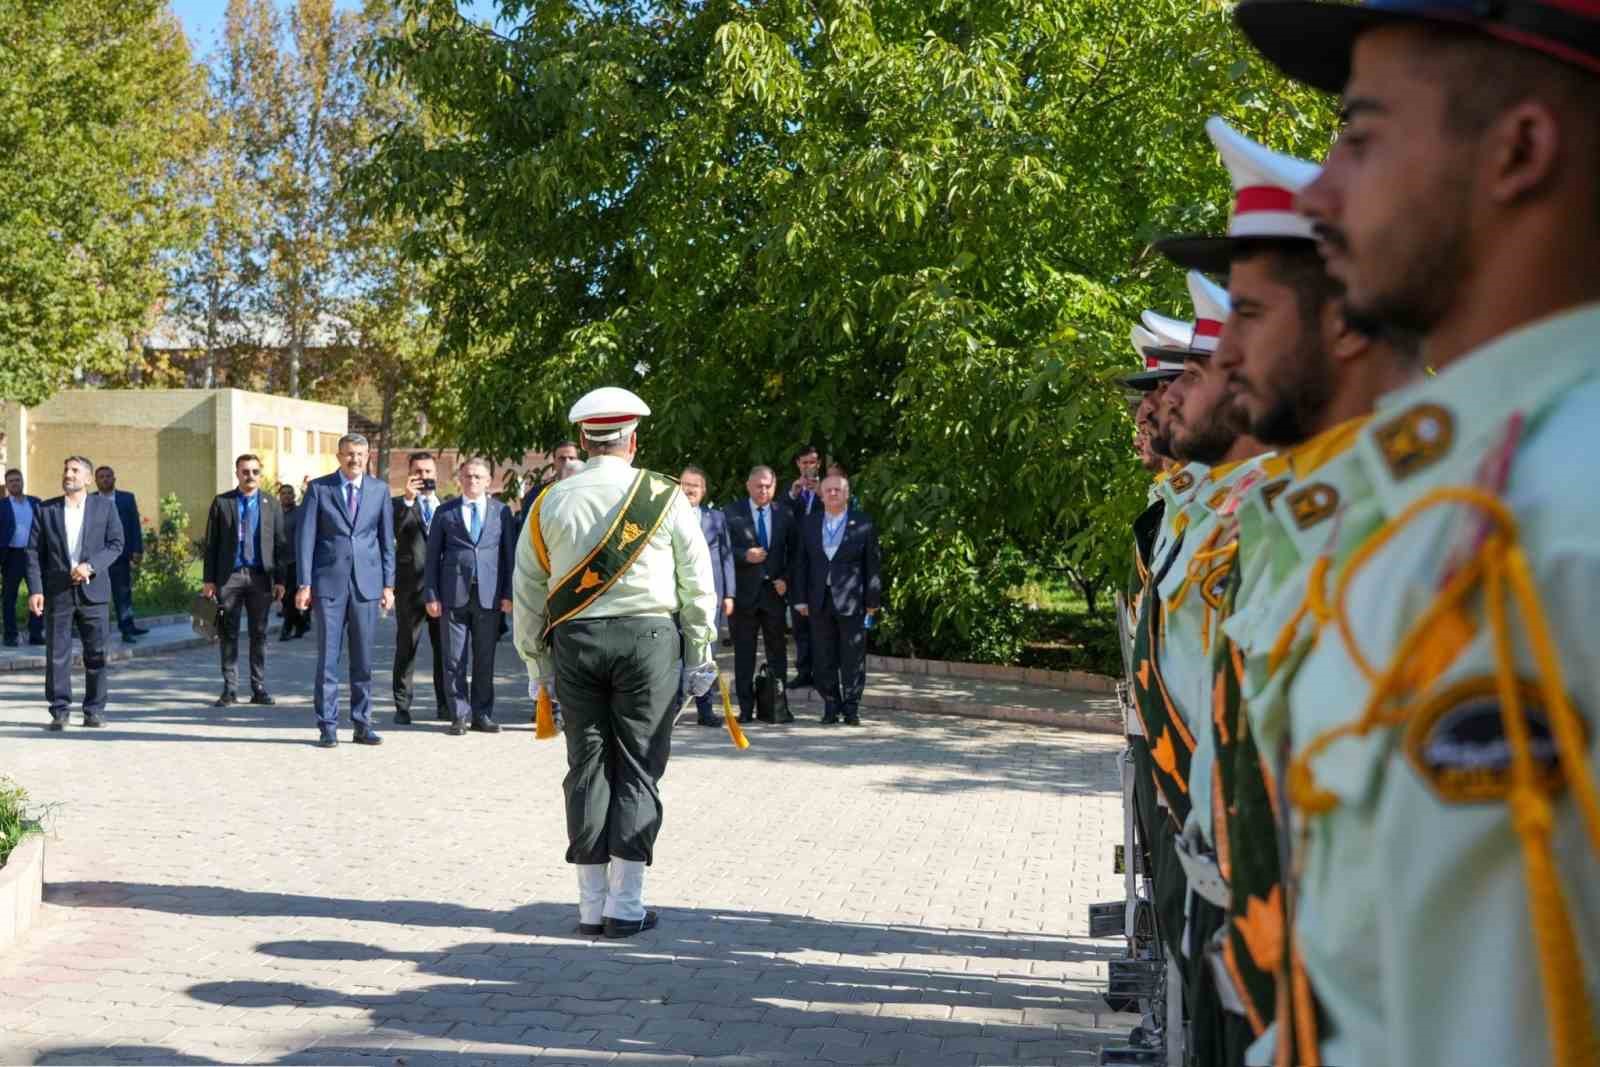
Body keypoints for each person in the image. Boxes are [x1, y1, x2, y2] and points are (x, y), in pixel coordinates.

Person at [1229, 4, 1600, 1064]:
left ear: (1519, 150)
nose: (1319, 191)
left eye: (1361, 134)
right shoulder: (1461, 490)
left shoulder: (1559, 515)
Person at [512, 386, 718, 939]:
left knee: (587, 764)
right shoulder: (665, 495)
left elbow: (528, 591)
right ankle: (626, 904)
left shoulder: (549, 501)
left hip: (575, 643)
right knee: (639, 766)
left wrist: (537, 667)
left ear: (583, 438)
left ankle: (588, 904)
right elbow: (697, 581)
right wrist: (700, 651)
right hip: (648, 641)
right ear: (632, 439)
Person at [295, 433, 396, 748]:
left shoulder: (379, 490)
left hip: (366, 584)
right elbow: (305, 539)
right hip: (329, 584)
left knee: (364, 658)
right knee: (328, 657)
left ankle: (362, 724)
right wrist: (305, 583)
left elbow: (386, 540)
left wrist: (389, 584)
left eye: (361, 454)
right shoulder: (319, 489)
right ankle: (327, 726)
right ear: (338, 456)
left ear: (368, 457)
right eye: (349, 454)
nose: (355, 460)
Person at [26, 456, 124, 729]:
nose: (68, 474)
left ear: (88, 479)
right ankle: (59, 711)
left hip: (94, 593)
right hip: (58, 592)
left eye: (74, 470)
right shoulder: (46, 510)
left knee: (96, 653)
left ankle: (94, 710)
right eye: (66, 469)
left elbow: (117, 544)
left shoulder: (105, 507)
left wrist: (90, 566)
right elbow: (33, 552)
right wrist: (36, 589)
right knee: (57, 653)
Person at [424, 457, 515, 735]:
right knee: (453, 657)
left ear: (488, 481)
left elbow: (509, 555)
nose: (472, 481)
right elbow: (431, 557)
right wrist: (431, 595)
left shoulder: (501, 513)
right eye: (467, 476)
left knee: (484, 658)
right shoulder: (445, 512)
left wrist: (508, 594)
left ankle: (482, 714)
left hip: (489, 596)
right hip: (453, 595)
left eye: (478, 477)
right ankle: (459, 715)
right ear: (459, 480)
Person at [201, 454, 290, 707]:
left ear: (260, 474)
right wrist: (209, 580)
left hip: (260, 578)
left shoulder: (271, 504)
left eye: (254, 471)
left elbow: (281, 545)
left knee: (258, 633)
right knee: (228, 633)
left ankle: (258, 687)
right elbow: (211, 544)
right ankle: (229, 689)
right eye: (245, 471)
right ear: (237, 473)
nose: (250, 475)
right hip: (229, 577)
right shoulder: (222, 502)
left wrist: (281, 580)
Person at [792, 473, 881, 725]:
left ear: (847, 494)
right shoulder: (809, 523)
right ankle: (831, 704)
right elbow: (800, 562)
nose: (832, 494)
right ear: (820, 494)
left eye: (838, 490)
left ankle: (851, 708)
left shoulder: (863, 523)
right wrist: (799, 599)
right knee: (823, 656)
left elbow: (872, 565)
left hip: (852, 601)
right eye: (828, 490)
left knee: (853, 657)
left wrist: (872, 601)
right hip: (818, 600)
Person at [724, 465, 794, 723]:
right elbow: (722, 553)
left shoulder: (785, 514)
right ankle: (745, 708)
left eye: (768, 486)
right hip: (744, 596)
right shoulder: (731, 513)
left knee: (778, 652)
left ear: (774, 487)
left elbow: (794, 554)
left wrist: (786, 579)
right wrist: (745, 555)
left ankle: (777, 707)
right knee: (744, 654)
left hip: (774, 595)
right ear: (748, 486)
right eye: (759, 486)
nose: (764, 490)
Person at [391, 451, 448, 725]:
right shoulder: (398, 504)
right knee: (407, 647)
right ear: (409, 473)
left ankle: (445, 704)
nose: (424, 477)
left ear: (436, 474)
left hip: (441, 589)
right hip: (409, 587)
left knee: (444, 649)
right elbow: (396, 531)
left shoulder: (447, 506)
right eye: (418, 472)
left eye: (428, 472)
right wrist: (408, 500)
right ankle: (402, 705)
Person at [679, 465, 734, 726]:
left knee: (707, 654)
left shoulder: (717, 518)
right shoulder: (670, 516)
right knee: (675, 655)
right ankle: (673, 709)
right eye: (684, 484)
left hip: (711, 597)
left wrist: (730, 594)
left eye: (695, 485)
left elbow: (726, 557)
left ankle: (705, 710)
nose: (689, 489)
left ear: (703, 491)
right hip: (677, 597)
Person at [784, 445, 822, 689]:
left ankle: (823, 673)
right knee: (800, 625)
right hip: (797, 566)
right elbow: (780, 519)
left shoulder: (828, 489)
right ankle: (803, 671)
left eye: (813, 462)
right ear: (798, 464)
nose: (809, 466)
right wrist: (792, 495)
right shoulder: (792, 492)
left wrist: (820, 493)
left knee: (821, 624)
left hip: (821, 566)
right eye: (805, 462)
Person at [93, 466, 145, 643]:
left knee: (123, 592)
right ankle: (99, 631)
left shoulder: (126, 498)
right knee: (97, 594)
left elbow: (134, 525)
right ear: (95, 480)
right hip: (96, 556)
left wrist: (137, 549)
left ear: (114, 478)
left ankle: (127, 628)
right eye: (101, 477)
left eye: (108, 476)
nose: (105, 479)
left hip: (120, 554)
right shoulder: (89, 500)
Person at [1, 468, 44, 647]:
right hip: (11, 555)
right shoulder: (1, 505)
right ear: (7, 484)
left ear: (22, 481)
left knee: (38, 594)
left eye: (17, 480)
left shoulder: (36, 503)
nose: (14, 483)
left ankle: (36, 634)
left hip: (34, 555)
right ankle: (11, 635)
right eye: (11, 481)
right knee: (9, 597)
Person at [276, 484, 311, 640]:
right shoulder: (275, 513)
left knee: (290, 596)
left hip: (296, 560)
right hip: (279, 561)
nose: (287, 496)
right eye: (284, 493)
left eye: (290, 493)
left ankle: (286, 628)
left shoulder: (300, 513)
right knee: (284, 597)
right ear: (280, 495)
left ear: (294, 495)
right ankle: (302, 623)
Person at [520, 440, 581, 518]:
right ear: (554, 462)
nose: (567, 462)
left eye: (571, 458)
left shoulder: (588, 489)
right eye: (562, 458)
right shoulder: (537, 493)